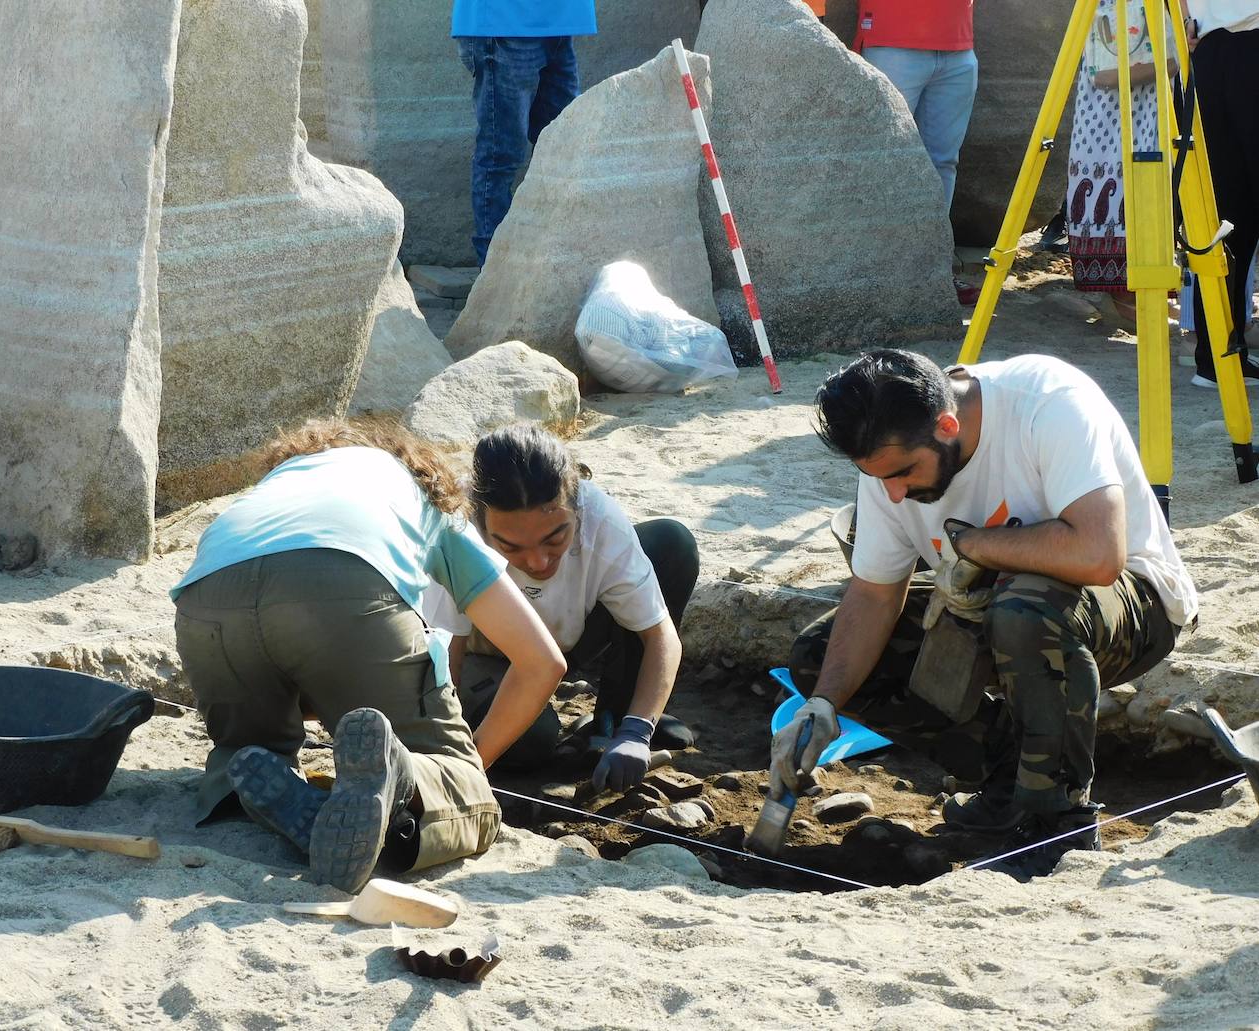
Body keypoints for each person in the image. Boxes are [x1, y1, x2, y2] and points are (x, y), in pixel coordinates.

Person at [771, 350, 1197, 880]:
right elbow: (875, 594)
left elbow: (1098, 555)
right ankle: (1008, 779)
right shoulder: (890, 457)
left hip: (1133, 602)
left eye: (903, 474)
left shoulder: (1047, 403)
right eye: (878, 479)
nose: (894, 494)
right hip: (992, 603)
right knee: (818, 655)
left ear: (947, 425)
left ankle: (1058, 820)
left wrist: (974, 544)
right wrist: (822, 703)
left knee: (1024, 609)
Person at [170, 418, 565, 893]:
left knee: (249, 756)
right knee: (468, 799)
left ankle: (266, 787)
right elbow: (542, 661)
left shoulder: (279, 485)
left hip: (205, 597)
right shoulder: (418, 494)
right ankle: (407, 777)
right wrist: (466, 770)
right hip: (342, 580)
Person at [424, 423, 699, 793]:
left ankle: (617, 719)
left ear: (574, 503)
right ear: (483, 524)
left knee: (670, 543)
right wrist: (452, 759)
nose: (537, 562)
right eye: (511, 546)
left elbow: (659, 633)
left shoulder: (597, 515)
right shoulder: (456, 529)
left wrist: (638, 730)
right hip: (490, 652)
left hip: (573, 634)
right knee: (527, 743)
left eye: (555, 538)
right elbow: (447, 657)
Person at [452, 0, 598, 266]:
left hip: (560, 23)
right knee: (500, 157)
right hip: (505, 23)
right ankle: (495, 280)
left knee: (565, 155)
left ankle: (548, 270)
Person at [853, 0, 979, 304]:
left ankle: (933, 272)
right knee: (883, 162)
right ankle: (876, 274)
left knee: (943, 162)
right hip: (891, 43)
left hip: (958, 47)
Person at [1066, 1, 1177, 326]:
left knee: (1151, 185)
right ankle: (1121, 293)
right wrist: (1170, 62)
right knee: (1114, 180)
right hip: (1109, 112)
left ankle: (1147, 289)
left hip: (1150, 103)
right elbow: (1103, 74)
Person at [1178, 0, 1259, 387]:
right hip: (1243, 41)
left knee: (1225, 212)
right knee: (1226, 215)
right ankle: (1218, 353)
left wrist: (1182, 20)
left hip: (1210, 51)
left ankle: (1215, 355)